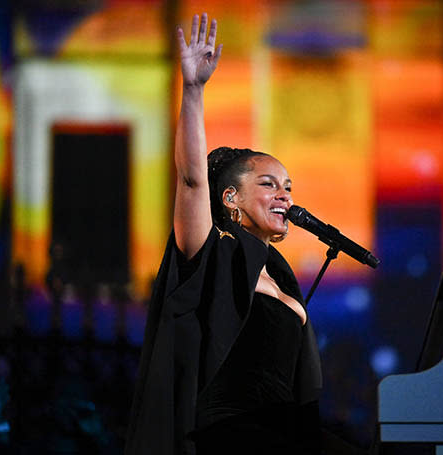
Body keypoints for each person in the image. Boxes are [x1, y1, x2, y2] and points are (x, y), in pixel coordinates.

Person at [124, 13, 322, 455]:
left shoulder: (282, 276)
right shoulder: (210, 254)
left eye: (288, 187)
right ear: (231, 198)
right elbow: (193, 180)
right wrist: (193, 91)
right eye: (268, 184)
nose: (284, 196)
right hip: (225, 439)